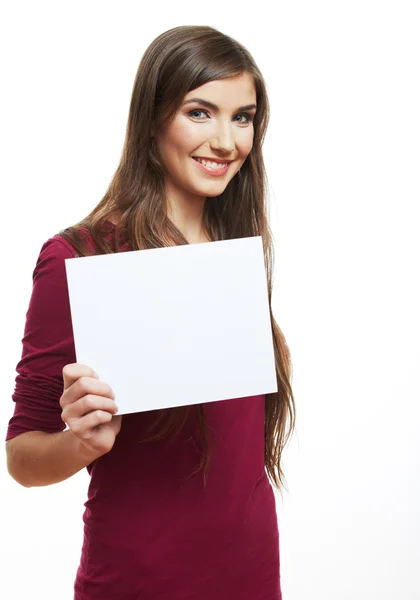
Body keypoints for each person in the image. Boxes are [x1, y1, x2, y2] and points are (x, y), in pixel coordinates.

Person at [5, 25, 295, 600]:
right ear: (153, 117)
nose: (226, 140)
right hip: (137, 580)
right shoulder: (81, 256)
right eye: (199, 112)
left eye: (243, 117)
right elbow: (21, 455)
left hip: (252, 575)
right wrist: (81, 443)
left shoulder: (234, 246)